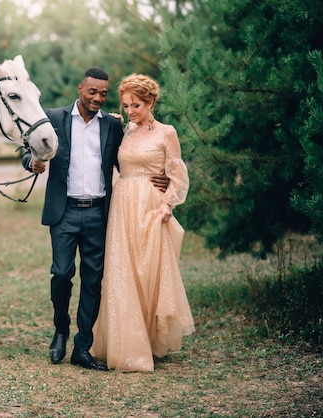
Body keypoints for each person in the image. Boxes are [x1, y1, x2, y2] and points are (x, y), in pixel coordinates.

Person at [22, 68, 169, 371]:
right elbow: (26, 150)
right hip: (64, 212)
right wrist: (33, 162)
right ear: (80, 89)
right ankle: (60, 330)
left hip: (100, 213)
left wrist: (161, 177)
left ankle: (82, 347)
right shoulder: (55, 118)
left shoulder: (114, 126)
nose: (98, 98)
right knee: (62, 274)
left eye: (103, 93)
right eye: (92, 92)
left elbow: (130, 159)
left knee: (94, 281)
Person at [90, 73, 195, 372]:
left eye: (135, 105)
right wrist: (112, 120)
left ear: (150, 102)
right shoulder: (124, 129)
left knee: (148, 271)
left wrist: (166, 204)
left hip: (151, 206)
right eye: (125, 105)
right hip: (122, 205)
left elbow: (178, 174)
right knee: (123, 272)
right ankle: (126, 343)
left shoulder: (166, 133)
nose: (129, 111)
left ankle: (147, 337)